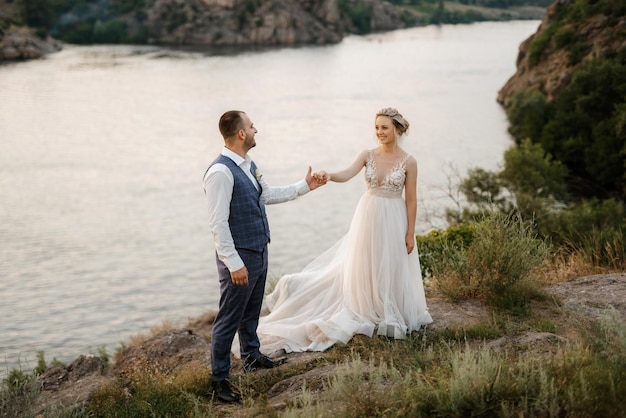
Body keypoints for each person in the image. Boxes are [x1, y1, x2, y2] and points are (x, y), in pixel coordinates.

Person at [252, 107, 433, 356]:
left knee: (389, 261)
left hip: (394, 216)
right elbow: (347, 174)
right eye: (377, 127)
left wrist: (410, 233)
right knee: (365, 261)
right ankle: (366, 303)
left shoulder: (409, 161)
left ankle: (388, 307)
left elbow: (411, 199)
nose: (379, 132)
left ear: (398, 130)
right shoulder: (367, 154)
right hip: (367, 214)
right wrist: (328, 175)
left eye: (385, 128)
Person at [203, 110, 326, 403]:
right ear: (241, 134)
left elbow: (266, 195)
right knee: (228, 318)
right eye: (251, 126)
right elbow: (217, 224)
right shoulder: (220, 173)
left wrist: (304, 186)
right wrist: (234, 264)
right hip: (239, 256)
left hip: (259, 248)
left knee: (251, 311)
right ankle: (219, 380)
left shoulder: (248, 165)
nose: (256, 129)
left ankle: (251, 356)